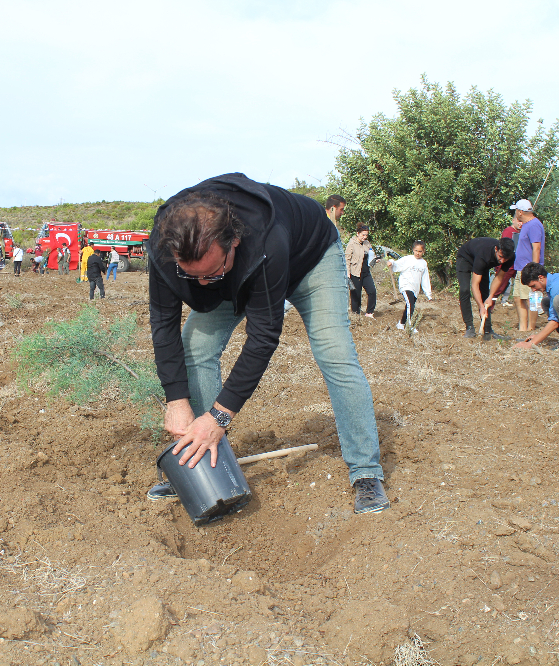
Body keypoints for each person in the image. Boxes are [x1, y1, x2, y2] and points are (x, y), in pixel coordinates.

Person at [146, 173, 388, 515]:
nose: (201, 284)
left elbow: (262, 337)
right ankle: (206, 464)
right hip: (241, 275)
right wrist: (176, 399)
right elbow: (163, 325)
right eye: (191, 275)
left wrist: (218, 416)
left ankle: (366, 472)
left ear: (234, 243)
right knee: (195, 347)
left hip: (310, 259)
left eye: (211, 273)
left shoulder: (264, 239)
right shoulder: (166, 245)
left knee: (334, 354)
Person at [456, 237, 515, 340]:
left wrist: (491, 297)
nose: (502, 261)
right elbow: (474, 285)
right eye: (500, 256)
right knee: (464, 290)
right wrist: (481, 306)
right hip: (466, 258)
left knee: (485, 293)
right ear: (496, 249)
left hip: (484, 264)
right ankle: (469, 328)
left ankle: (488, 330)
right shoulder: (483, 255)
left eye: (506, 259)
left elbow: (499, 277)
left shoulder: (510, 257)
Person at [509, 199, 544, 332]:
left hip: (528, 269)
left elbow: (536, 248)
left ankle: (530, 328)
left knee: (531, 300)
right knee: (518, 297)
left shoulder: (534, 225)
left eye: (516, 211)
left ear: (520, 211)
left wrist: (534, 269)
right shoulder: (526, 224)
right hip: (520, 268)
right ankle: (522, 328)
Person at [387, 240, 432, 332]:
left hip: (415, 288)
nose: (418, 253)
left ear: (423, 252)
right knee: (410, 304)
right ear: (413, 250)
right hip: (406, 285)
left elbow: (425, 279)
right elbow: (397, 264)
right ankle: (410, 326)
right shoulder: (408, 259)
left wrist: (428, 293)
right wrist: (391, 262)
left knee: (410, 305)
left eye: (420, 251)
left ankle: (401, 324)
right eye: (416, 251)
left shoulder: (423, 263)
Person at [344, 225, 376, 318]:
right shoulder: (352, 244)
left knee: (372, 291)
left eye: (366, 235)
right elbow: (347, 259)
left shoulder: (367, 243)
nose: (364, 237)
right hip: (355, 273)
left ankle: (369, 313)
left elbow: (370, 255)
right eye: (363, 235)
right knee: (356, 296)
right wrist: (348, 273)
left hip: (366, 272)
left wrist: (375, 260)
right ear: (358, 233)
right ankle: (355, 315)